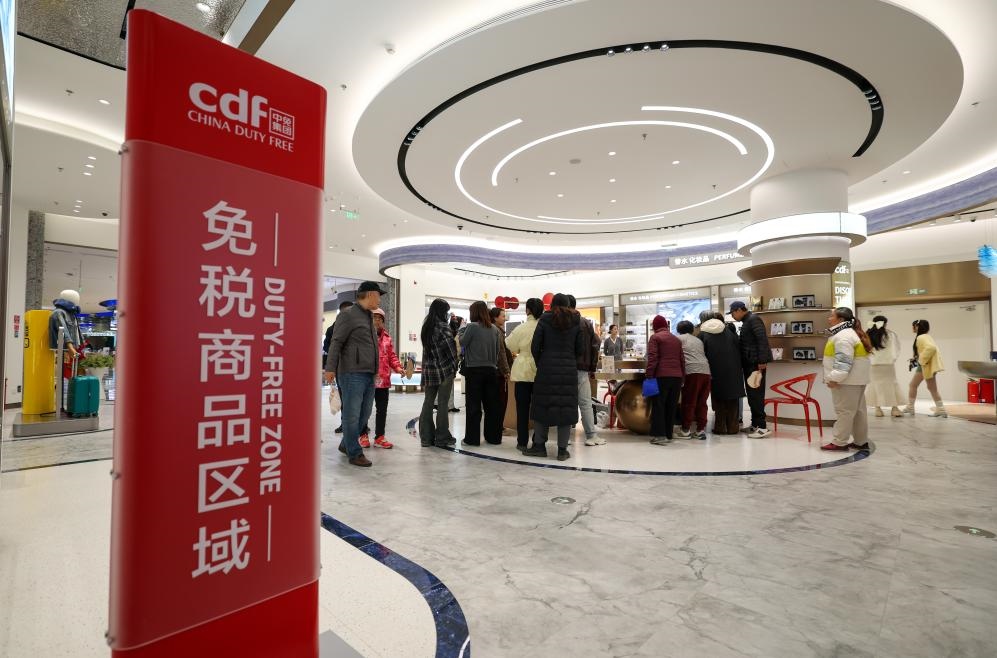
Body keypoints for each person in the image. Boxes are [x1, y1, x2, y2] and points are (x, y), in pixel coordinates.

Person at [325, 281, 387, 467]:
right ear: (370, 294)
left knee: (365, 413)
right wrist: (330, 368)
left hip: (368, 373)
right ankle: (355, 452)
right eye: (378, 295)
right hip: (351, 373)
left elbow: (372, 346)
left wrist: (376, 370)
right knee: (351, 415)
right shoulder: (348, 315)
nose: (379, 300)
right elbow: (336, 342)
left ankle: (346, 443)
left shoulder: (368, 315)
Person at [525, 293, 582, 460]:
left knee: (542, 406)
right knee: (566, 409)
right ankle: (562, 450)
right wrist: (570, 361)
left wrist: (542, 362)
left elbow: (535, 346)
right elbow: (580, 349)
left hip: (546, 370)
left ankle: (539, 447)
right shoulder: (576, 321)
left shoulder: (544, 319)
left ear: (551, 305)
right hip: (568, 371)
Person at [821, 307, 872, 451]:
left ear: (841, 320)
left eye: (832, 316)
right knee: (858, 412)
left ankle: (839, 442)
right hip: (857, 380)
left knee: (844, 412)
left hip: (846, 381)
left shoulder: (842, 336)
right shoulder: (851, 333)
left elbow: (843, 362)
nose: (829, 319)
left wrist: (834, 378)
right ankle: (861, 441)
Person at [459, 301, 504, 445]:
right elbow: (497, 350)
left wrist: (461, 330)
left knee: (473, 406)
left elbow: (463, 343)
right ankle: (494, 438)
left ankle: (472, 439)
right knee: (492, 406)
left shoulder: (472, 327)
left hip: (474, 371)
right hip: (491, 371)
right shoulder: (494, 329)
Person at [729, 300, 772, 438]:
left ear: (738, 310)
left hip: (755, 365)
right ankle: (755, 424)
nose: (732, 316)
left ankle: (762, 427)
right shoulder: (748, 321)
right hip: (750, 364)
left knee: (756, 395)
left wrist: (762, 360)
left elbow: (762, 340)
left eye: (733, 313)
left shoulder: (754, 320)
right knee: (752, 395)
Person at [419, 299, 459, 448]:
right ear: (442, 311)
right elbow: (451, 351)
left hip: (429, 371)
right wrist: (454, 367)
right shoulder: (443, 327)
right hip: (444, 370)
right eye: (446, 311)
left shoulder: (426, 327)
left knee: (428, 402)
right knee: (443, 404)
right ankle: (442, 437)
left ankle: (426, 437)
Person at [506, 298, 543, 452]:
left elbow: (510, 344)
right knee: (539, 409)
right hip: (540, 370)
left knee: (522, 409)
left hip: (522, 371)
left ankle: (522, 441)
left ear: (528, 310)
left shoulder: (521, 328)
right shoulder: (543, 327)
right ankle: (538, 440)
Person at [364, 308, 404, 449]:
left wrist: (398, 367)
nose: (377, 321)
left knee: (382, 410)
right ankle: (362, 435)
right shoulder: (364, 336)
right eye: (374, 318)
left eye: (380, 319)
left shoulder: (387, 337)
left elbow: (391, 356)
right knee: (365, 409)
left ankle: (380, 437)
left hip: (383, 380)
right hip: (368, 379)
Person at [699, 312, 745, 434]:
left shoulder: (704, 333)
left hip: (715, 369)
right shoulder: (729, 332)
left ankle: (720, 428)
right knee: (733, 400)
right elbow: (739, 348)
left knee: (719, 400)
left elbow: (701, 352)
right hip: (734, 370)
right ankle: (733, 427)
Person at [568, 295, 603, 446]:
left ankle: (565, 437)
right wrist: (592, 367)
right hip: (582, 368)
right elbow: (596, 343)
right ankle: (591, 436)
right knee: (585, 403)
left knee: (567, 402)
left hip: (566, 367)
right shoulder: (585, 323)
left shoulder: (562, 322)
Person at [646, 315, 685, 445]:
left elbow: (652, 358)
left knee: (658, 405)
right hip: (677, 377)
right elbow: (682, 360)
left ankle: (659, 435)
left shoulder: (655, 337)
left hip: (661, 376)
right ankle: (668, 434)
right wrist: (683, 377)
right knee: (671, 405)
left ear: (655, 326)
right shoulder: (676, 339)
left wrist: (649, 375)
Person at [674, 320, 710, 440]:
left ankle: (685, 430)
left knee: (689, 401)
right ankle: (700, 430)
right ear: (692, 329)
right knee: (702, 402)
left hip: (692, 372)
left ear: (678, 330)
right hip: (706, 371)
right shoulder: (698, 340)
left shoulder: (678, 339)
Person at [905, 319, 947, 418]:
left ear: (917, 327)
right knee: (932, 388)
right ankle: (941, 410)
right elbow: (928, 349)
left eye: (913, 326)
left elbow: (931, 348)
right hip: (928, 365)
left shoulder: (921, 337)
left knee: (913, 385)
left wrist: (921, 359)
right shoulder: (926, 336)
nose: (912, 328)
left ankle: (910, 407)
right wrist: (916, 358)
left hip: (925, 365)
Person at [865, 315, 905, 417]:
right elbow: (897, 348)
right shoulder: (891, 334)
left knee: (875, 385)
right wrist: (893, 359)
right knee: (891, 385)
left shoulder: (868, 334)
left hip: (873, 364)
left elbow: (865, 350)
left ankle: (878, 409)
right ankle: (894, 409)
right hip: (888, 364)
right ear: (885, 323)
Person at [325, 300, 353, 434]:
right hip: (341, 368)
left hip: (356, 368)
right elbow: (328, 348)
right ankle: (344, 424)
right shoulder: (332, 329)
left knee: (357, 399)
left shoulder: (355, 326)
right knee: (344, 398)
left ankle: (361, 426)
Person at [489, 306, 513, 431]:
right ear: (495, 317)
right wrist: (506, 371)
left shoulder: (494, 330)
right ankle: (499, 426)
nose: (505, 318)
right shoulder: (497, 331)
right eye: (503, 316)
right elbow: (501, 353)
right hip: (498, 372)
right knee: (500, 399)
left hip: (494, 370)